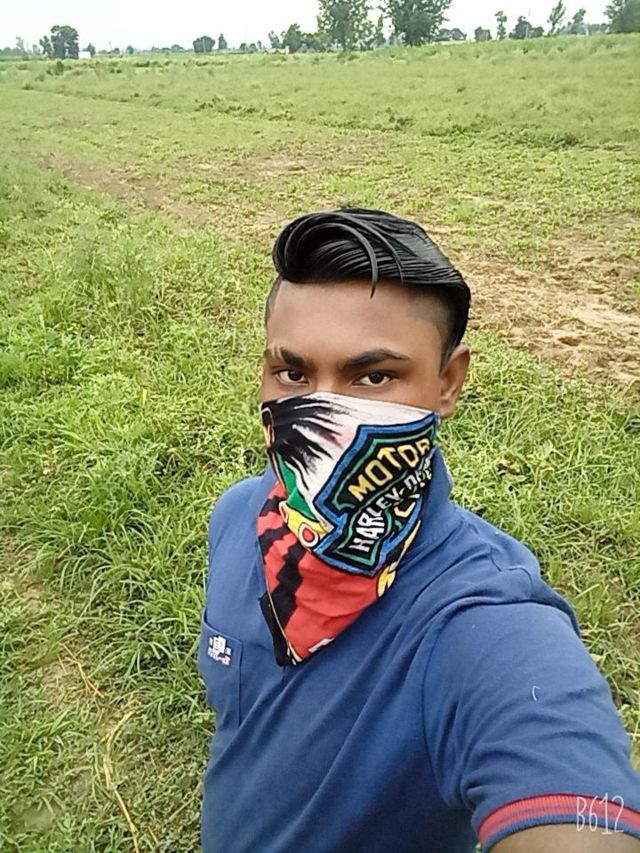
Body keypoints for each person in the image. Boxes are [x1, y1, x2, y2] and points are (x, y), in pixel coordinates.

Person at [198, 208, 640, 853]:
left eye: (374, 377)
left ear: (447, 382)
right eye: (293, 374)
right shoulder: (240, 516)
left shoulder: (482, 622)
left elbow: (568, 792)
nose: (322, 412)